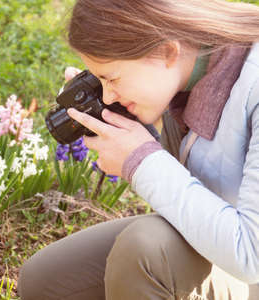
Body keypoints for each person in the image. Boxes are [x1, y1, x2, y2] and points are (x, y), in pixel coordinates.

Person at [17, 0, 259, 299]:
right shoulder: (187, 74)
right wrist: (133, 121)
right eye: (98, 79)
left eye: (112, 78)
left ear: (168, 52)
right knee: (47, 280)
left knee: (145, 251)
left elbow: (251, 255)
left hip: (249, 264)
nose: (107, 94)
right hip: (221, 252)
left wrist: (142, 161)